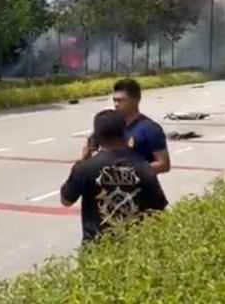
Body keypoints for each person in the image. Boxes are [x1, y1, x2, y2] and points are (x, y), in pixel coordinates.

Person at [60, 109, 169, 244]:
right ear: (125, 134)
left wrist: (83, 161)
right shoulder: (143, 166)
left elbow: (66, 201)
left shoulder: (85, 168)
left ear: (96, 138)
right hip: (135, 247)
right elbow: (158, 209)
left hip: (96, 249)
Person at [112, 78, 172, 175]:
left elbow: (164, 165)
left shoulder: (150, 129)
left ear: (136, 100)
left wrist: (129, 170)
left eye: (121, 100)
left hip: (142, 187)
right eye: (114, 100)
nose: (116, 104)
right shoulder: (111, 125)